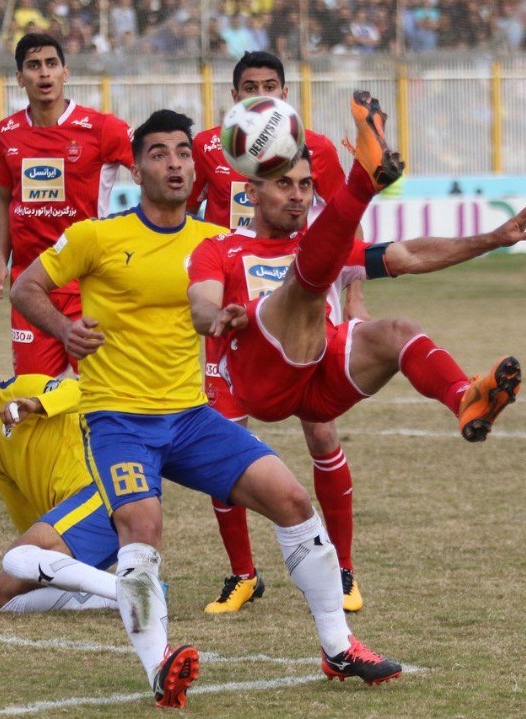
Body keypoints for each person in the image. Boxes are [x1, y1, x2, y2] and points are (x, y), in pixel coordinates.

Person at [12, 106, 402, 710]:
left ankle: (338, 646)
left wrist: (245, 317)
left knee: (293, 500)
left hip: (192, 417)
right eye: (160, 153)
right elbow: (25, 287)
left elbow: (262, 296)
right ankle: (158, 666)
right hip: (119, 420)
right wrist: (64, 330)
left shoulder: (217, 243)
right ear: (136, 167)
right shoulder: (97, 236)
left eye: (183, 152)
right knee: (142, 531)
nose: (175, 163)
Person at [188, 92, 526, 448]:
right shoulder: (220, 248)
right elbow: (201, 305)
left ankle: (465, 400)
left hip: (319, 383)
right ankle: (362, 181)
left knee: (398, 329)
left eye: (306, 185)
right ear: (251, 193)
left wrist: (493, 238)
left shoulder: (321, 249)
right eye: (284, 184)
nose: (298, 195)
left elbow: (409, 254)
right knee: (302, 289)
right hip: (262, 382)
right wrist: (218, 316)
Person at [188, 49, 367, 615]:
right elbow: (189, 217)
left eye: (269, 84)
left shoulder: (316, 151)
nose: (258, 92)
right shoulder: (211, 149)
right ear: (234, 93)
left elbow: (344, 233)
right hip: (233, 317)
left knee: (322, 437)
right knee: (223, 446)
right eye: (248, 85)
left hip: (302, 312)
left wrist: (354, 307)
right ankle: (243, 575)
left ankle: (342, 569)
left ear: (285, 93)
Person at [0, 330, 120, 614]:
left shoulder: (24, 387)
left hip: (103, 497)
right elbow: (27, 520)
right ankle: (115, 593)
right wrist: (38, 566)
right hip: (72, 528)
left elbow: (82, 391)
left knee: (16, 558)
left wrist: (36, 405)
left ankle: (133, 590)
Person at [0, 32, 133, 377]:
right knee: (33, 395)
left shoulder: (102, 128)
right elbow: (5, 200)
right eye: (34, 66)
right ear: (20, 78)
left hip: (86, 283)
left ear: (65, 72)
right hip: (30, 287)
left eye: (52, 64)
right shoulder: (6, 133)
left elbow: (150, 168)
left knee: (98, 398)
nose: (44, 74)